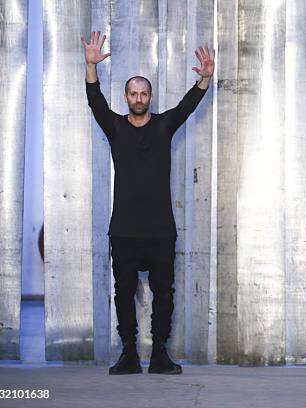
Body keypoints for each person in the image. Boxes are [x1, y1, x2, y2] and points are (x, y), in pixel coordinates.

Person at [81, 31, 215, 375]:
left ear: (150, 97)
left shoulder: (163, 125)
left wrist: (203, 79)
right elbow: (95, 100)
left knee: (164, 295)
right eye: (133, 93)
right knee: (123, 293)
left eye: (144, 93)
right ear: (126, 97)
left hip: (159, 230)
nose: (139, 98)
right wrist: (90, 66)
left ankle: (159, 355)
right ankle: (128, 354)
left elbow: (187, 106)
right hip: (124, 229)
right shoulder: (114, 126)